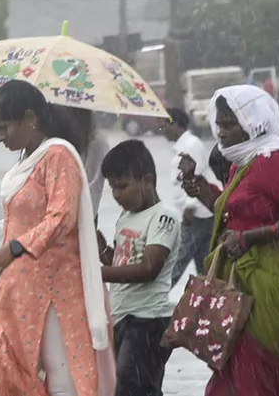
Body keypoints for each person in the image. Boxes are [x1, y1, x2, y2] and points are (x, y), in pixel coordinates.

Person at [0, 80, 115, 396]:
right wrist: (2, 285)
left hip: (56, 289)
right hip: (21, 289)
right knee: (17, 373)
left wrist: (15, 249)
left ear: (30, 118)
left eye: (4, 127)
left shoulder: (58, 156)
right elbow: (16, 224)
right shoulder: (26, 161)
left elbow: (61, 218)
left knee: (61, 377)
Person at [181, 84, 279, 396]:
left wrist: (249, 238)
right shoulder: (242, 162)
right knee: (231, 379)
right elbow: (235, 212)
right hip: (240, 285)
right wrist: (199, 188)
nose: (222, 132)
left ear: (253, 125)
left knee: (255, 377)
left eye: (230, 125)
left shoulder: (272, 160)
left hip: (267, 287)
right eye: (219, 124)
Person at [97, 139, 180, 396]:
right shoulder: (125, 217)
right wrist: (99, 248)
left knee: (133, 385)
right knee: (134, 387)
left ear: (147, 181)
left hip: (149, 320)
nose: (117, 194)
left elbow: (147, 269)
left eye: (122, 186)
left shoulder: (163, 217)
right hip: (124, 317)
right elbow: (122, 262)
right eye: (112, 187)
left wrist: (95, 274)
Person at [161, 107, 218, 286]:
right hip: (200, 214)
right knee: (204, 265)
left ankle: (154, 300)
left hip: (196, 214)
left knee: (177, 261)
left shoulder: (191, 145)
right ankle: (210, 301)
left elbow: (197, 175)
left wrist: (190, 205)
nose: (162, 130)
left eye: (165, 125)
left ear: (176, 125)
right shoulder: (182, 146)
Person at [61, 107, 110, 217]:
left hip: (85, 213)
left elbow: (91, 179)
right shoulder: (68, 139)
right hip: (67, 212)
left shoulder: (97, 143)